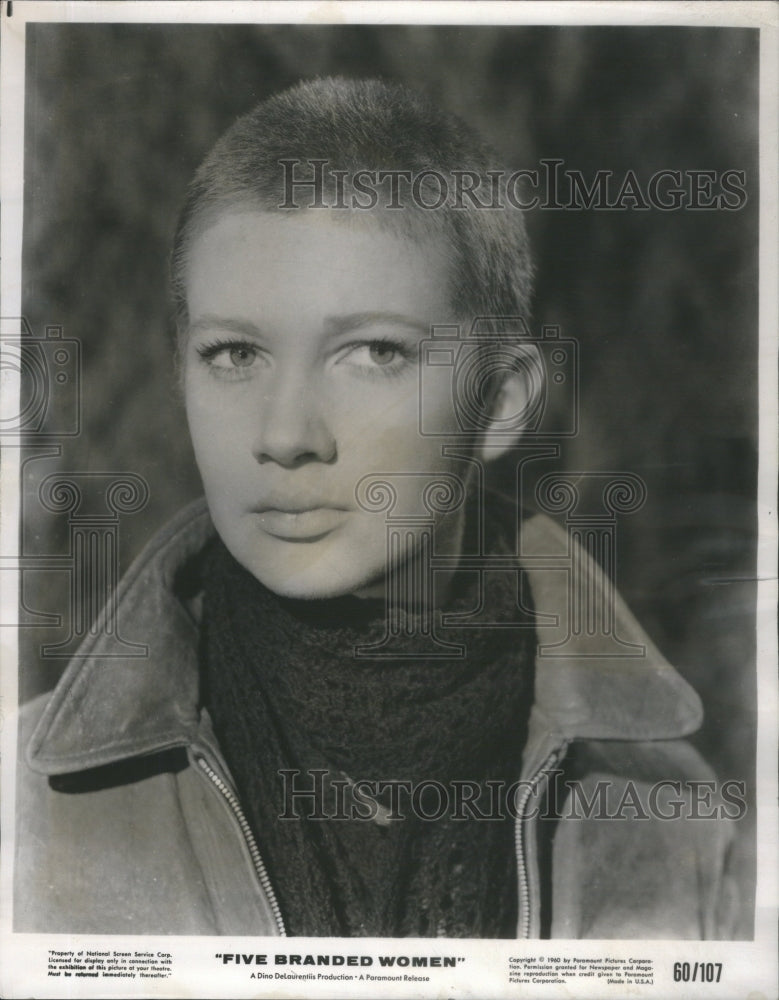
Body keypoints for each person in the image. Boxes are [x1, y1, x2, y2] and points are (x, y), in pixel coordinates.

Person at [15, 77, 738, 938]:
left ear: (500, 400)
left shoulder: (677, 822)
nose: (285, 436)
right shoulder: (27, 807)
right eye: (235, 353)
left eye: (373, 353)